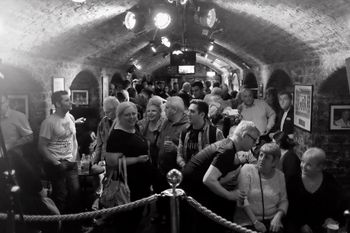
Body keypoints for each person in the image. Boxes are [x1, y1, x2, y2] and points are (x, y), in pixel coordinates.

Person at [181, 120, 260, 233]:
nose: (255, 144)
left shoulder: (228, 145)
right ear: (244, 135)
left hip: (194, 189)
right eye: (254, 139)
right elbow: (208, 179)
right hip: (192, 192)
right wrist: (230, 195)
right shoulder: (227, 150)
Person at [105, 102, 152, 233]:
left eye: (133, 114)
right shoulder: (116, 135)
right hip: (128, 183)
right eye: (127, 115)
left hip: (141, 182)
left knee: (137, 217)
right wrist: (136, 160)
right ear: (119, 116)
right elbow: (112, 161)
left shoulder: (133, 127)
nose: (132, 117)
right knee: (126, 220)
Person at [285, 148, 346, 233]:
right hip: (297, 224)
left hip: (323, 226)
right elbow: (289, 207)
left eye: (309, 165)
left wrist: (332, 219)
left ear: (320, 167)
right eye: (302, 162)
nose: (303, 166)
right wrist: (301, 224)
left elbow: (340, 203)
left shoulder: (329, 180)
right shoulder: (293, 180)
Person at [38, 90, 79, 214]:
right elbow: (41, 146)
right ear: (58, 103)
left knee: (75, 193)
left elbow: (73, 139)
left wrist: (75, 157)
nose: (70, 102)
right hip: (57, 164)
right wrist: (55, 162)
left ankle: (73, 224)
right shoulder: (49, 122)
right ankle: (58, 224)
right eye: (67, 100)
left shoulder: (71, 117)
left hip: (71, 162)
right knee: (61, 195)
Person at [236, 143, 288, 233]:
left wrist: (278, 217)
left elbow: (284, 200)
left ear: (274, 162)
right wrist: (255, 222)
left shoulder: (280, 176)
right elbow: (242, 199)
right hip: (248, 221)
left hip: (272, 221)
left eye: (267, 157)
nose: (261, 159)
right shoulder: (247, 169)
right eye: (261, 155)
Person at [177, 99, 224, 168]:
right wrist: (184, 166)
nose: (188, 114)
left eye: (192, 111)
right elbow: (179, 154)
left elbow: (222, 157)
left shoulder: (215, 133)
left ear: (202, 115)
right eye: (188, 110)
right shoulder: (185, 131)